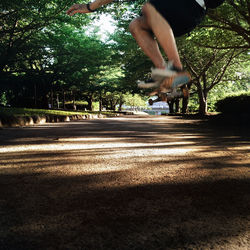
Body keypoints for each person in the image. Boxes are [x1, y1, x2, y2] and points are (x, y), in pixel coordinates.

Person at [67, 0, 225, 94]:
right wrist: (90, 6)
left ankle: (176, 69)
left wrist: (89, 7)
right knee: (136, 25)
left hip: (189, 7)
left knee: (149, 9)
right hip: (183, 18)